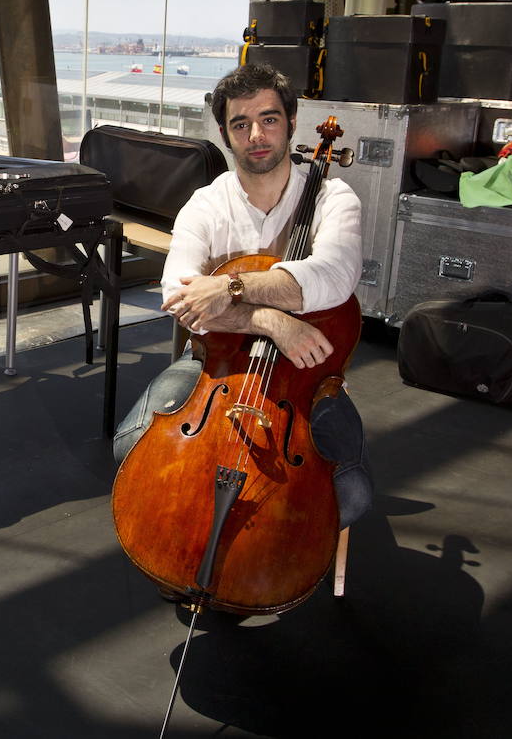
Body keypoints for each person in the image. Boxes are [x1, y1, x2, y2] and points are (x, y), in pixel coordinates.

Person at [112, 62, 373, 531]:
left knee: (349, 495)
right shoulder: (206, 204)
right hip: (217, 363)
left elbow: (333, 277)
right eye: (241, 124)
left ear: (291, 123)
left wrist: (229, 287)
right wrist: (272, 321)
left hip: (306, 372)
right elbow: (178, 297)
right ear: (224, 133)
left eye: (269, 119)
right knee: (130, 445)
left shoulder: (335, 199)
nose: (256, 134)